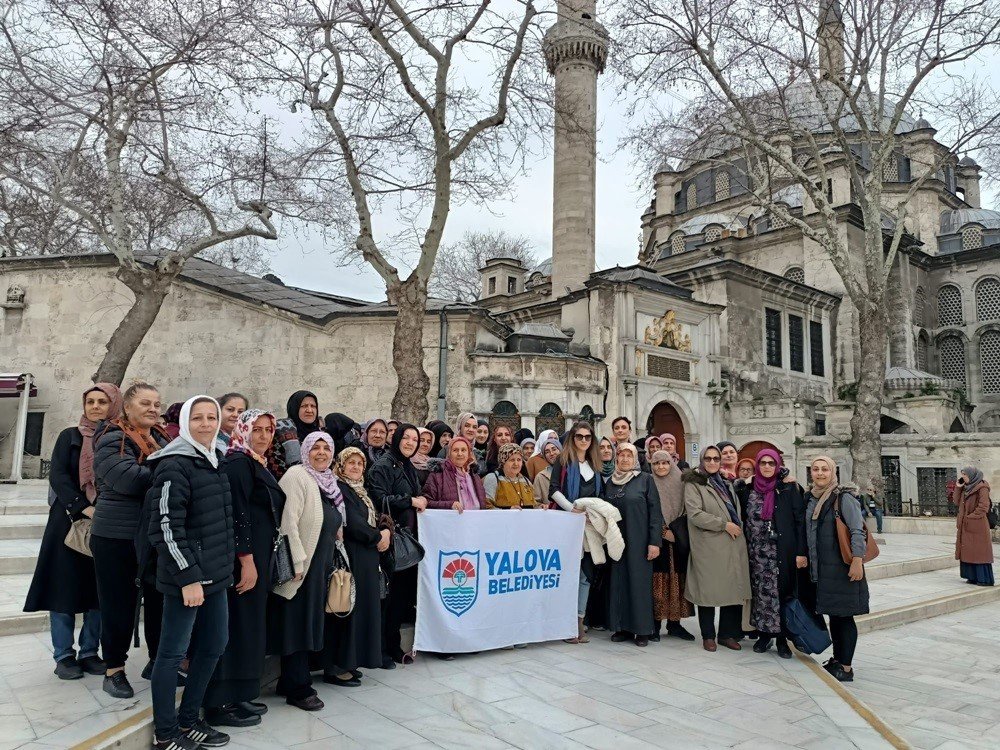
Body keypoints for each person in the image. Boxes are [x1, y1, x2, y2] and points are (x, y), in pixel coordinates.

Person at [146, 396, 234, 750]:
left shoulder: (214, 460)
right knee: (170, 655)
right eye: (197, 418)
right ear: (184, 423)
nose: (206, 423)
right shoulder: (174, 465)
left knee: (213, 645)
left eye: (211, 417)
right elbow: (165, 528)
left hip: (215, 577)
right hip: (187, 579)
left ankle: (189, 719)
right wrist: (188, 577)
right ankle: (165, 733)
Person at [25, 383, 121, 680]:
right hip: (66, 522)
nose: (94, 407)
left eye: (102, 402)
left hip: (105, 523)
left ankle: (89, 652)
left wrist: (103, 509)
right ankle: (64, 655)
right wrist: (83, 507)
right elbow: (58, 475)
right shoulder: (70, 436)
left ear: (113, 405)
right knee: (62, 588)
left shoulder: (119, 439)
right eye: (90, 401)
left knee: (98, 590)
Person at [204, 410, 285, 728]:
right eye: (257, 429)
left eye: (269, 430)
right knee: (235, 628)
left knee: (249, 626)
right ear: (243, 430)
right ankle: (218, 703)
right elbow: (238, 515)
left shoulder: (256, 462)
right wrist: (247, 561)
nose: (264, 436)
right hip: (244, 562)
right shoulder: (238, 463)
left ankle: (238, 693)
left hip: (258, 558)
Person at [90, 381, 169, 698]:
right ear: (127, 407)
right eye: (146, 403)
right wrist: (171, 469)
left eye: (157, 404)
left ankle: (156, 662)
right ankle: (114, 670)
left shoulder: (161, 438)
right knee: (118, 604)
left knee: (159, 601)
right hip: (116, 536)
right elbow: (129, 480)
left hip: (151, 535)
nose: (153, 409)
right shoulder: (110, 440)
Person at [269, 432, 344, 711]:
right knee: (296, 625)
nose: (322, 453)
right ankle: (298, 688)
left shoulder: (328, 482)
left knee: (305, 624)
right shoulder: (297, 476)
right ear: (305, 451)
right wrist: (296, 564)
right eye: (316, 448)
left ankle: (289, 681)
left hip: (320, 566)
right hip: (302, 567)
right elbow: (288, 523)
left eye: (327, 448)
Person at [324, 447, 388, 685]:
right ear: (340, 465)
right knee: (346, 610)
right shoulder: (340, 490)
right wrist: (378, 536)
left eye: (359, 464)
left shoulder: (360, 490)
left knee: (360, 610)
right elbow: (353, 523)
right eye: (350, 463)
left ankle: (351, 661)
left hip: (366, 557)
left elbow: (374, 517)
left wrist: (385, 532)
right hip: (352, 556)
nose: (355, 467)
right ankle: (337, 666)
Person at [734, 449, 806, 659]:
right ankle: (764, 634)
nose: (766, 467)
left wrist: (801, 552)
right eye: (763, 463)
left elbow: (799, 520)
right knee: (761, 594)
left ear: (777, 466)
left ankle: (783, 638)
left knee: (781, 593)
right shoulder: (748, 489)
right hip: (756, 552)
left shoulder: (787, 488)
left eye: (771, 463)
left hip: (780, 551)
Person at [805, 456, 869, 682]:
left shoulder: (844, 499)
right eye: (816, 469)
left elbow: (857, 530)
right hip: (823, 571)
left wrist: (857, 560)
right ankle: (837, 659)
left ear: (833, 473)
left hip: (843, 568)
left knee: (844, 618)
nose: (820, 473)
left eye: (825, 469)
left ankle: (847, 667)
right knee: (835, 616)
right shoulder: (810, 498)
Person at [368, 424, 426, 666]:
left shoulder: (407, 466)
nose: (410, 442)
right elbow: (378, 499)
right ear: (398, 439)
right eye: (407, 438)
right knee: (387, 597)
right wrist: (410, 500)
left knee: (400, 596)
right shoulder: (383, 465)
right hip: (390, 540)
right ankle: (381, 649)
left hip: (406, 542)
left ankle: (392, 645)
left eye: (415, 439)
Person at [683, 445, 751, 652]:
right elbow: (695, 514)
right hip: (709, 545)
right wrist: (724, 525)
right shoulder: (693, 483)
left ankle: (726, 634)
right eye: (708, 458)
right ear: (702, 460)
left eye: (716, 458)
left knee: (732, 589)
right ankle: (708, 635)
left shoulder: (726, 483)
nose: (712, 462)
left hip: (732, 544)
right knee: (708, 592)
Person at [601, 443, 663, 647]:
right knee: (618, 582)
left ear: (635, 458)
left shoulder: (645, 480)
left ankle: (642, 630)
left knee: (638, 584)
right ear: (616, 458)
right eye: (621, 455)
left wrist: (655, 542)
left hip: (640, 541)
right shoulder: (610, 483)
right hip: (617, 542)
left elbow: (655, 514)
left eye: (629, 455)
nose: (625, 459)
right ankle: (622, 628)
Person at [550, 421, 604, 643]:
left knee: (585, 575)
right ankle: (565, 623)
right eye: (579, 436)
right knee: (568, 574)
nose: (583, 440)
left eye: (587, 437)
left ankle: (579, 621)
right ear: (572, 439)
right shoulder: (563, 462)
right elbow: (553, 490)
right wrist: (571, 509)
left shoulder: (595, 465)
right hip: (568, 525)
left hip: (590, 527)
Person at [649, 450, 695, 642]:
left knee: (678, 580)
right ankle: (655, 625)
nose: (661, 467)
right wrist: (661, 531)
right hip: (656, 539)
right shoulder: (648, 482)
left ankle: (675, 624)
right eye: (657, 463)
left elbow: (689, 507)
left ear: (671, 463)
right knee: (657, 582)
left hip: (678, 539)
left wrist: (676, 531)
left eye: (665, 463)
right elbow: (646, 509)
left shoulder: (682, 483)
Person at [951, 466, 994, 587]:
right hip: (966, 525)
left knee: (979, 552)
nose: (963, 477)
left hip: (978, 525)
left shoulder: (982, 488)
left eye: (965, 475)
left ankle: (983, 579)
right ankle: (972, 577)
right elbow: (956, 501)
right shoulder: (966, 488)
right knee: (968, 551)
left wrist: (970, 518)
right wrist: (958, 488)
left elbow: (983, 507)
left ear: (972, 475)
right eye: (962, 474)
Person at [423, 437, 485, 511]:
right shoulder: (438, 474)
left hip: (475, 520)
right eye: (455, 450)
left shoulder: (474, 475)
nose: (460, 453)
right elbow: (427, 502)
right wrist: (450, 505)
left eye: (463, 450)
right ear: (449, 454)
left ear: (469, 453)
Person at [273, 391, 321, 474]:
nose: (309, 410)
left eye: (313, 406)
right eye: (304, 406)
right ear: (294, 408)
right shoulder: (281, 430)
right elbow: (275, 468)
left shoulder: (321, 434)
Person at [483, 443, 537, 509]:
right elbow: (486, 506)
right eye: (512, 460)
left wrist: (540, 507)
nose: (516, 464)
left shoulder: (526, 481)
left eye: (519, 460)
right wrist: (508, 511)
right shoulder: (493, 479)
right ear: (503, 461)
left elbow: (534, 505)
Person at [531, 436, 562, 506]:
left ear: (560, 450)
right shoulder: (541, 477)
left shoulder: (571, 471)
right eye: (547, 452)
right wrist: (541, 506)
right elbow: (535, 502)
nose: (551, 453)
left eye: (554, 449)